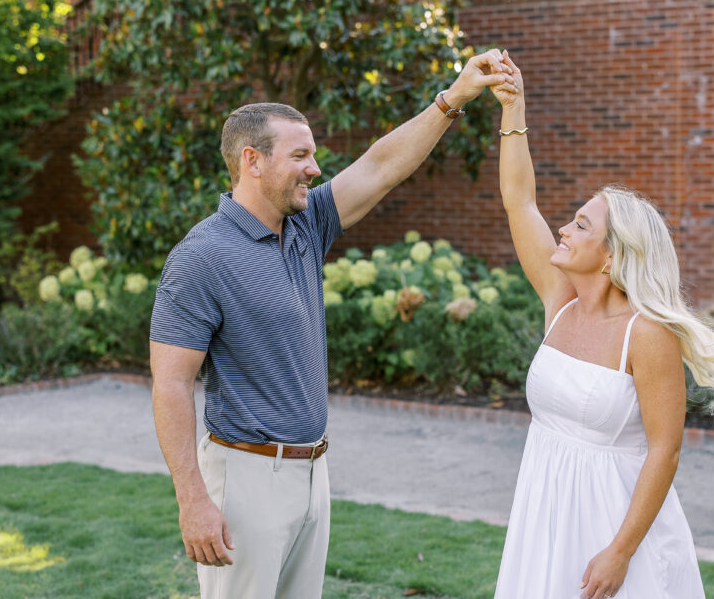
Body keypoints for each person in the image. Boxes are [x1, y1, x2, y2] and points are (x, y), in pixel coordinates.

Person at [148, 49, 513, 599]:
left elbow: (381, 165)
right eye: (300, 156)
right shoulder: (202, 255)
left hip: (312, 473)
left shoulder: (306, 224)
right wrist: (192, 498)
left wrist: (454, 99)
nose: (314, 169)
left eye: (312, 155)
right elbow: (171, 384)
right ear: (253, 161)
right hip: (245, 480)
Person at [488, 51, 714, 599]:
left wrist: (620, 553)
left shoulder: (646, 334)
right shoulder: (561, 302)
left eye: (580, 224)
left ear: (613, 257)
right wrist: (513, 106)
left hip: (616, 522)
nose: (564, 230)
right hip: (544, 504)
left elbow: (665, 451)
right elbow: (518, 199)